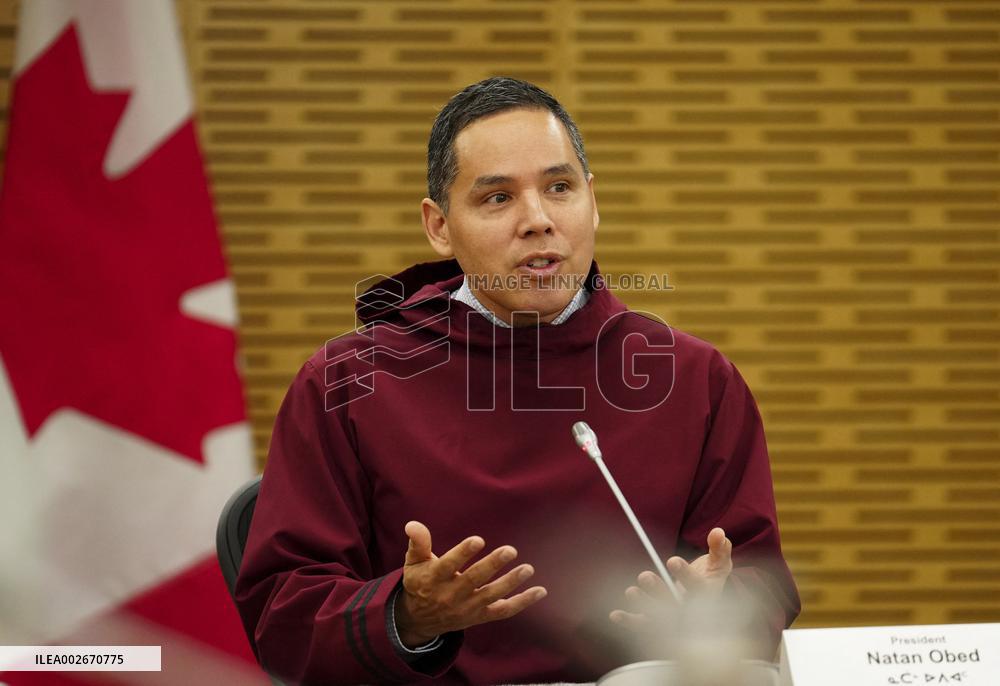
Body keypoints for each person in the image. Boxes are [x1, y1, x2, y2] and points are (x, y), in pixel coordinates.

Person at [234, 77, 800, 685]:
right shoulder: (349, 383)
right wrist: (407, 614)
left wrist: (715, 606)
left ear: (594, 200)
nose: (538, 220)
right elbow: (282, 617)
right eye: (497, 198)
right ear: (438, 226)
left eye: (560, 188)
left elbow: (759, 580)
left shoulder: (693, 378)